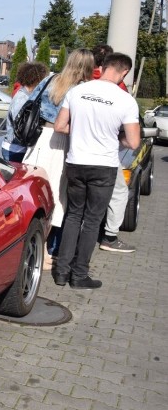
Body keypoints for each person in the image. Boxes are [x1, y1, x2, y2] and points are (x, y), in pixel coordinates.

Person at [52, 53, 140, 289]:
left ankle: (61, 272)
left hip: (76, 161)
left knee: (73, 215)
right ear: (124, 72)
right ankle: (79, 275)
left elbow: (60, 126)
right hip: (103, 165)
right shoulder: (125, 100)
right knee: (92, 221)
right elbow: (133, 142)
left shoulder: (77, 91)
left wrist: (81, 130)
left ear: (103, 68)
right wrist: (114, 136)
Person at [22, 49, 94, 263]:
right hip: (62, 142)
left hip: (39, 139)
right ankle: (41, 252)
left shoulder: (51, 79)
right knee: (54, 195)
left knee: (35, 192)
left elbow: (30, 101)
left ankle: (32, 247)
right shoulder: (81, 89)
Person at [90, 45, 135, 254]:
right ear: (122, 71)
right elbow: (132, 140)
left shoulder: (81, 85)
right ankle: (109, 237)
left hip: (76, 152)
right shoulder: (121, 93)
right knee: (118, 193)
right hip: (106, 154)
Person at [1, 62, 49, 162]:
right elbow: (20, 126)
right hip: (15, 149)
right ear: (36, 80)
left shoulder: (28, 96)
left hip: (18, 148)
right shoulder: (22, 98)